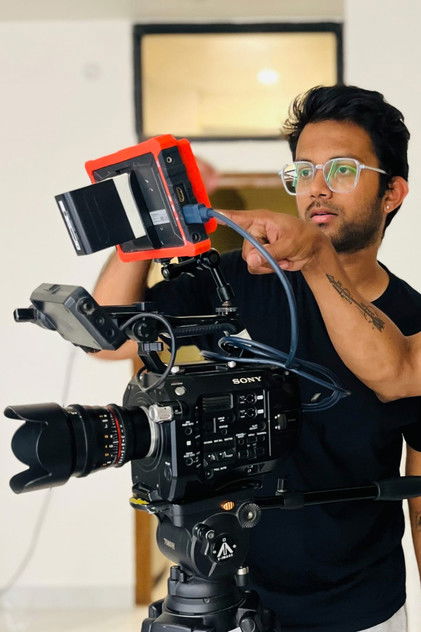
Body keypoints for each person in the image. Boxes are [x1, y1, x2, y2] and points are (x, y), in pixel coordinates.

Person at [93, 86, 421, 631]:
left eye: (342, 170)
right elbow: (110, 339)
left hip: (358, 605)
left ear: (392, 193)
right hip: (227, 595)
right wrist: (146, 231)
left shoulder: (412, 321)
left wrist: (316, 257)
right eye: (303, 172)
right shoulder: (239, 279)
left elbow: (417, 467)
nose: (317, 188)